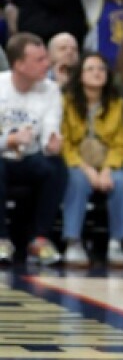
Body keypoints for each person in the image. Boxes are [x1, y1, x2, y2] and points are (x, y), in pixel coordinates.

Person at [60, 52, 123, 268]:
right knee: (77, 181)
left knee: (121, 182)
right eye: (90, 69)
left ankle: (117, 242)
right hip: (77, 163)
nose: (97, 73)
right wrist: (87, 169)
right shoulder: (67, 103)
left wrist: (107, 169)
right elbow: (64, 143)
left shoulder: (118, 104)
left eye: (101, 69)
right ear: (80, 75)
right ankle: (73, 242)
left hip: (107, 163)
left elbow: (121, 143)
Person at [0, 33, 68, 265]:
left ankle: (39, 239)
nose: (46, 64)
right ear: (19, 64)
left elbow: (51, 124)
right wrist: (7, 141)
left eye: (45, 58)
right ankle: (1, 240)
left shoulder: (50, 89)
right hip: (2, 156)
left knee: (56, 167)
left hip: (29, 158)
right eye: (39, 60)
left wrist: (52, 141)